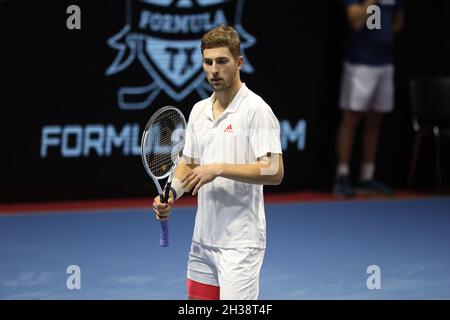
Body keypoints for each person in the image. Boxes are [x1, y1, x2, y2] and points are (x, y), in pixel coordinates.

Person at [152, 25, 284, 300]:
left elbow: (274, 170)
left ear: (238, 63)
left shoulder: (256, 110)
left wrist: (219, 168)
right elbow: (189, 164)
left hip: (240, 245)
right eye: (208, 62)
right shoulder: (199, 110)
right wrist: (171, 194)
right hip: (202, 243)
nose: (214, 69)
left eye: (222, 61)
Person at [333, 0, 404, 197]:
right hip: (360, 62)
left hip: (385, 62)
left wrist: (385, 34)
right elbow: (355, 21)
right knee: (352, 117)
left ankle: (366, 177)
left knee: (375, 119)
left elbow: (398, 20)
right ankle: (342, 176)